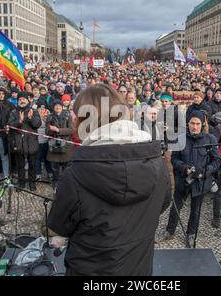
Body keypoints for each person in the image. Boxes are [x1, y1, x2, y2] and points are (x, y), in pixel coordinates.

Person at [47, 85, 171, 276]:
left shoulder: (75, 176)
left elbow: (58, 226)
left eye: (76, 113)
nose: (72, 118)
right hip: (139, 269)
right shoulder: (159, 165)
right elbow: (162, 204)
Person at [164, 110, 221, 247]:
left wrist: (206, 170)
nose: (194, 126)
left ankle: (191, 234)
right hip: (183, 180)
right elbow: (174, 159)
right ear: (188, 123)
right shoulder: (180, 138)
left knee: (195, 210)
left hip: (201, 182)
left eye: (197, 123)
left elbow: (217, 161)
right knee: (176, 206)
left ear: (202, 124)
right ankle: (170, 230)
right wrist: (184, 168)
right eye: (192, 123)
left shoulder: (210, 139)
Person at [7, 92, 41, 191]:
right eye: (20, 99)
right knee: (20, 165)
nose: (22, 101)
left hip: (31, 142)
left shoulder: (33, 111)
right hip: (18, 142)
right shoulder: (13, 112)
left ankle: (32, 183)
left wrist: (30, 119)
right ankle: (21, 182)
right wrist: (19, 121)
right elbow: (10, 125)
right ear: (18, 101)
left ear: (28, 100)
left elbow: (37, 124)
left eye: (24, 99)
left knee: (32, 164)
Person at [46, 100, 75, 190]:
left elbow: (71, 130)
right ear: (53, 107)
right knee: (55, 167)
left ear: (62, 107)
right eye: (56, 105)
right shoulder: (50, 117)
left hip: (66, 145)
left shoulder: (67, 116)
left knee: (67, 167)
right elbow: (47, 132)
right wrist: (51, 130)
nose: (58, 107)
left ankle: (66, 183)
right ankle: (55, 183)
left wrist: (58, 130)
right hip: (55, 144)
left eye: (59, 105)